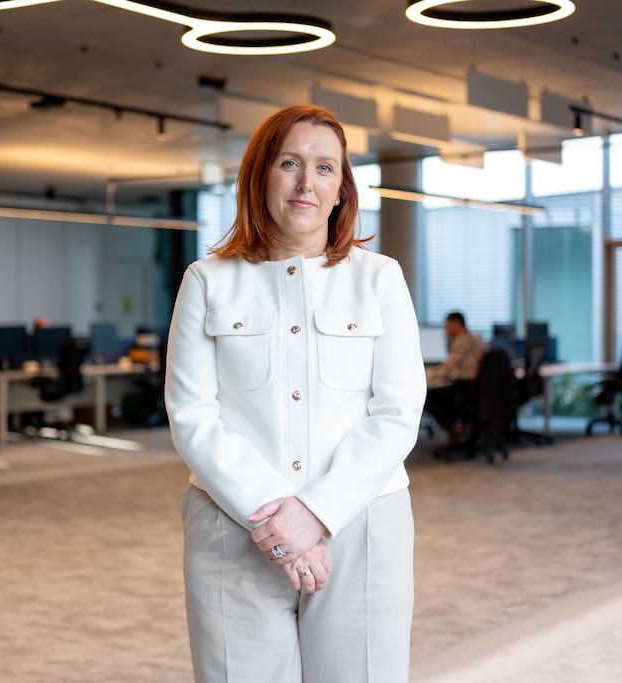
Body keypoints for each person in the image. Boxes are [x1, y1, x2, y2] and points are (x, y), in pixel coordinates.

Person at [164, 105, 426, 682]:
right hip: (233, 523)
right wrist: (278, 518)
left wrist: (317, 513)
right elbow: (191, 416)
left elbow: (398, 413)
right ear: (261, 176)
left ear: (341, 189)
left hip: (362, 521)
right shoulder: (207, 280)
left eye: (325, 167)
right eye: (290, 163)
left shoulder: (379, 278)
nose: (308, 182)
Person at [424, 311, 488, 445]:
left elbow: (448, 367)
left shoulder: (462, 340)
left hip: (466, 388)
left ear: (456, 325)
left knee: (429, 396)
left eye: (447, 325)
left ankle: (455, 428)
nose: (445, 329)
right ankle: (458, 427)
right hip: (476, 388)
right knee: (439, 393)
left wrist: (426, 378)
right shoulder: (475, 338)